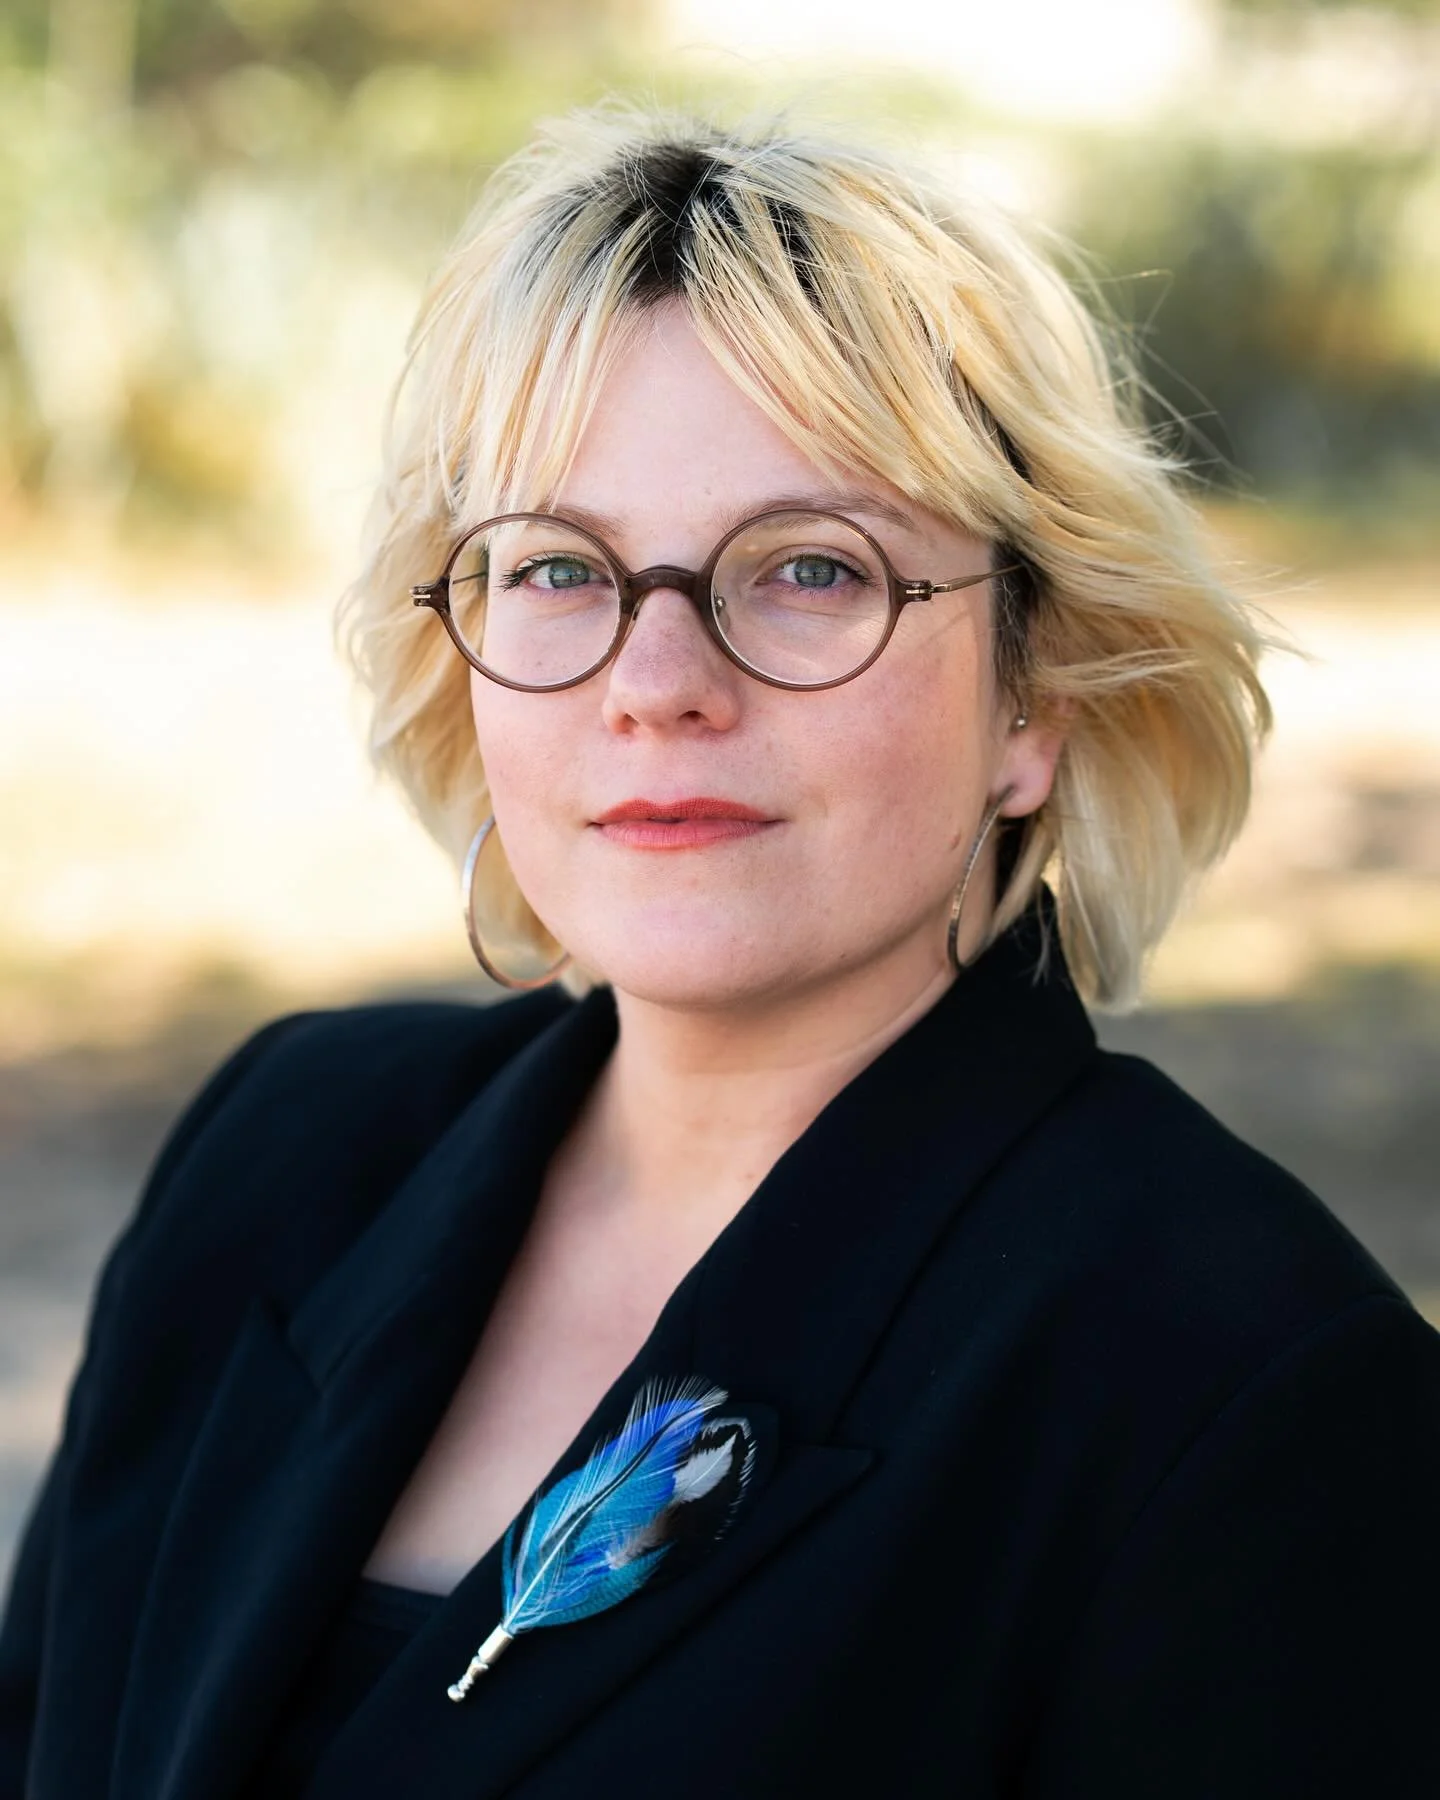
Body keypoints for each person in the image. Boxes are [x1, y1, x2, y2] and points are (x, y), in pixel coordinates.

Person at [2, 104, 1437, 1800]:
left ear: (1032, 703)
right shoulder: (278, 1154)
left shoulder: (1246, 1385)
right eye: (557, 565)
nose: (658, 678)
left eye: (810, 568)